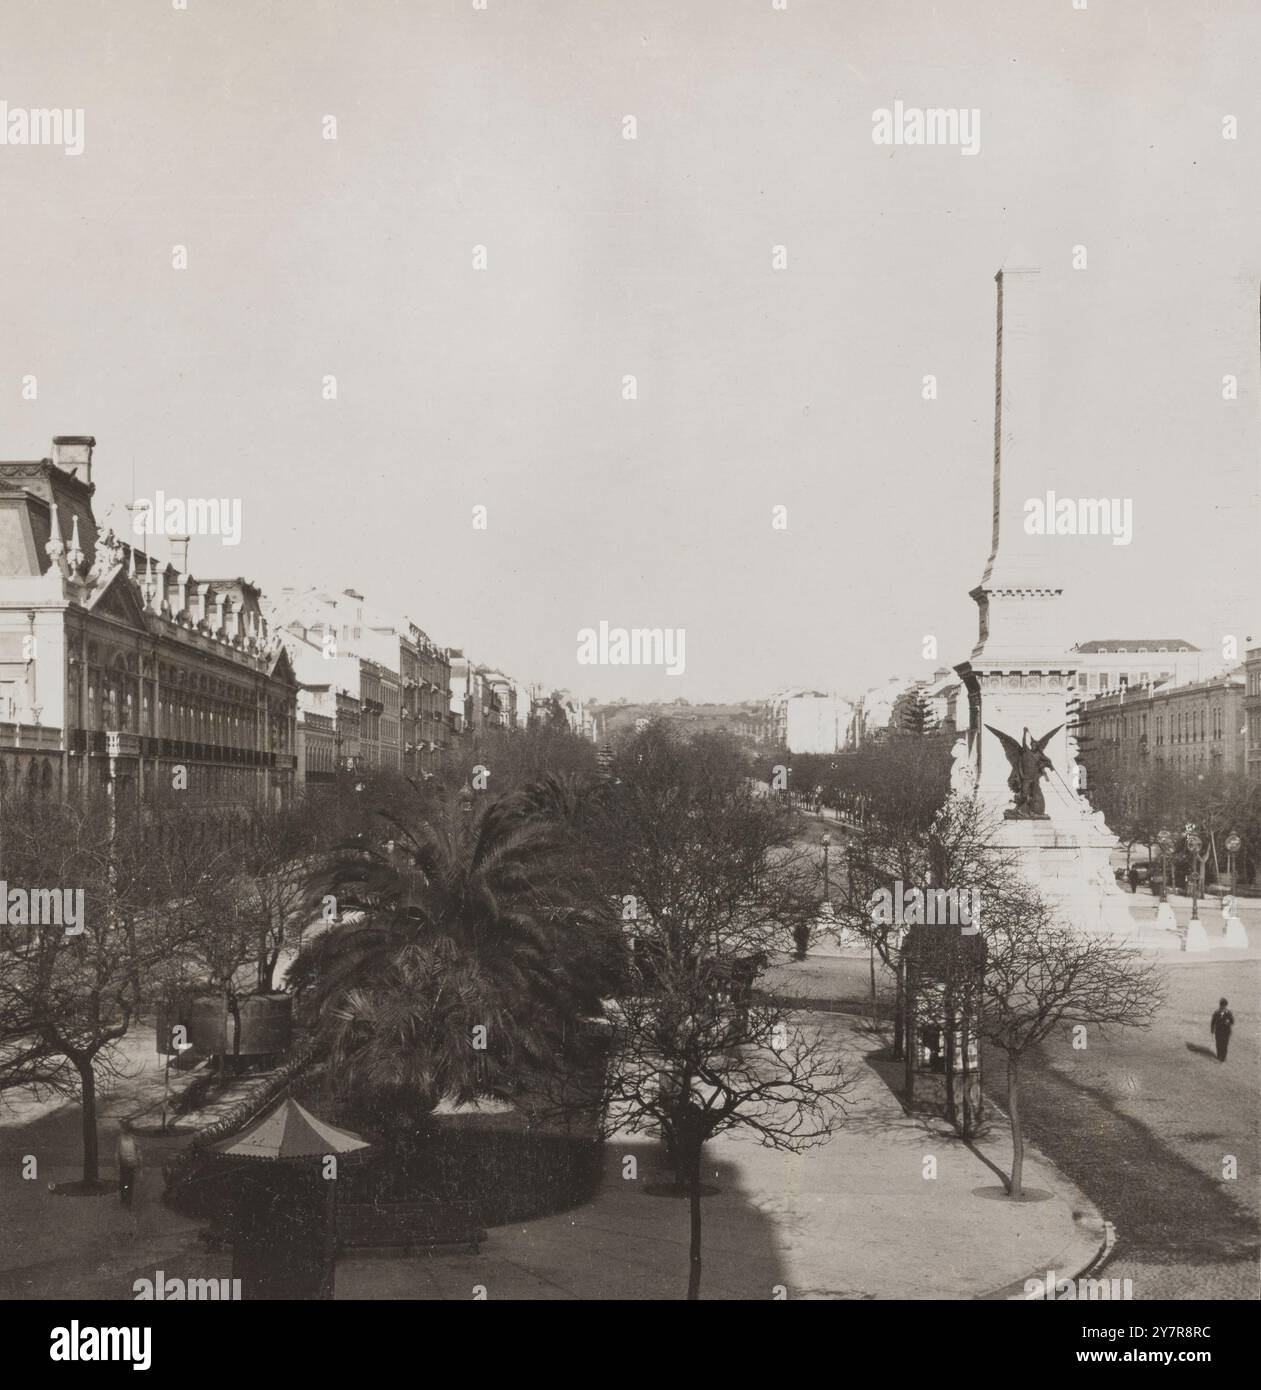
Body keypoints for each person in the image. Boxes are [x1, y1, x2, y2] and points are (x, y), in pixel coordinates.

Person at [117, 1129, 141, 1208]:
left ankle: (124, 1196)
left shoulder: (120, 1139)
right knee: (130, 1183)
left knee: (124, 1181)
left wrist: (117, 1164)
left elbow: (117, 1153)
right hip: (132, 1164)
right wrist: (140, 1165)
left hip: (124, 1164)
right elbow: (138, 1153)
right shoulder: (134, 1139)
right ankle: (128, 1200)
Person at [1210, 998, 1235, 1063]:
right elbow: (1213, 1022)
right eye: (1222, 1006)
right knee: (1218, 1043)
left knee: (1225, 1044)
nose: (1223, 1007)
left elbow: (1232, 1021)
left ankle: (1223, 1057)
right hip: (1218, 1031)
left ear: (1226, 1006)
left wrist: (1229, 1022)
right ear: (1220, 1005)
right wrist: (1212, 1030)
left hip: (1226, 1032)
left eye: (1224, 1006)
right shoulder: (1216, 1012)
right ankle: (1219, 1055)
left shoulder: (1229, 1013)